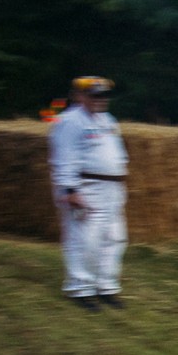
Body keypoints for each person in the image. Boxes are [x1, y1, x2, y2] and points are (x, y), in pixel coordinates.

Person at [48, 76, 128, 311]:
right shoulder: (70, 121)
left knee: (115, 238)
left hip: (111, 188)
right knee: (85, 239)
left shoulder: (108, 120)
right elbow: (64, 158)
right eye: (94, 95)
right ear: (79, 96)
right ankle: (80, 288)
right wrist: (70, 190)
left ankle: (106, 285)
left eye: (103, 95)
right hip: (87, 186)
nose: (100, 100)